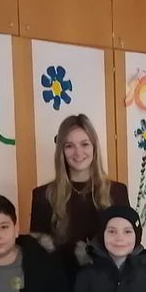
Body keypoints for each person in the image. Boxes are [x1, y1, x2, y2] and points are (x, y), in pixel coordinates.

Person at [30, 113, 128, 279]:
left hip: (107, 285)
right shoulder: (42, 195)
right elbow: (37, 257)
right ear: (61, 150)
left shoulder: (117, 192)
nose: (78, 152)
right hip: (60, 287)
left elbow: (127, 246)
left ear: (94, 147)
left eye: (85, 144)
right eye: (69, 146)